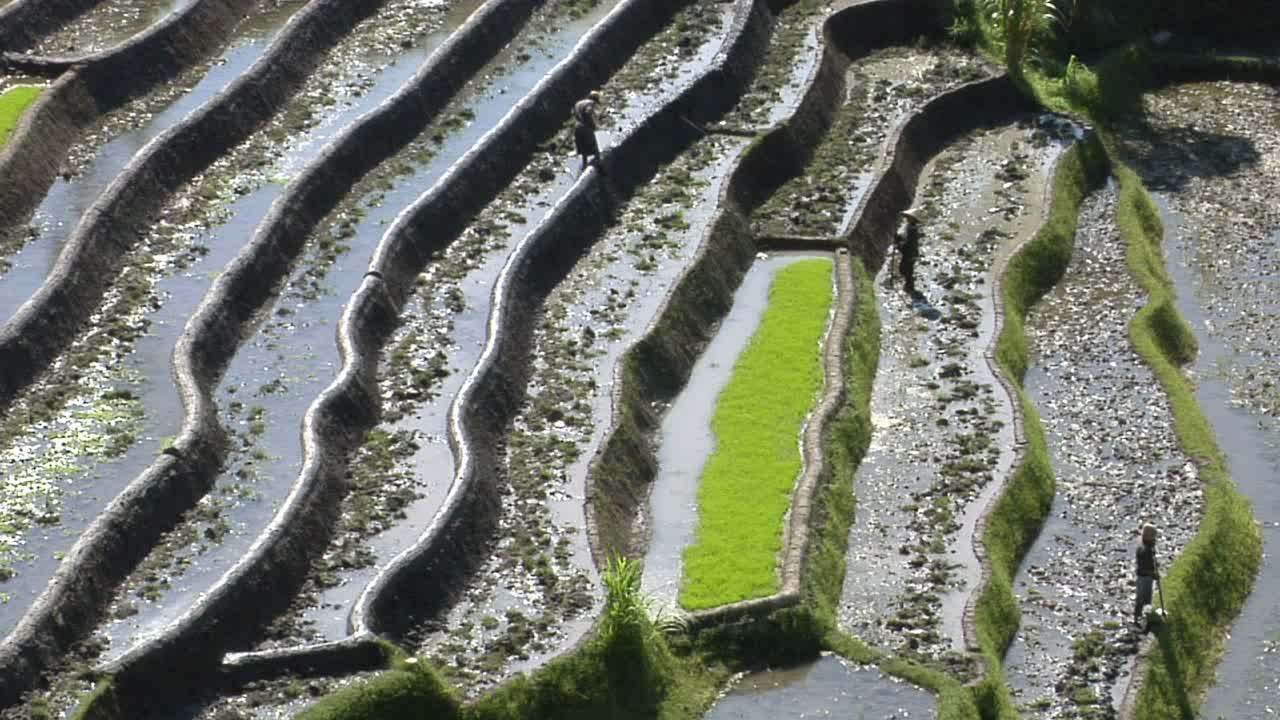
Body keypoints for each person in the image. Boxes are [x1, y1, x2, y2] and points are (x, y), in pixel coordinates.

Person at [1133, 523, 1160, 627]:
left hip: (1145, 577)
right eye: (1154, 538)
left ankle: (1143, 618)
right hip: (1144, 578)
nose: (1155, 540)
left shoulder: (1147, 548)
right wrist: (1153, 574)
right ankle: (1140, 620)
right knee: (1143, 599)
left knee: (1144, 599)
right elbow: (1143, 568)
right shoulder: (1145, 550)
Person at [893, 208, 921, 294]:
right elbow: (906, 239)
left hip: (909, 253)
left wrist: (899, 245)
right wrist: (899, 239)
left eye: (908, 217)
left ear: (913, 219)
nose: (907, 219)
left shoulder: (912, 230)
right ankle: (909, 286)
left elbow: (909, 243)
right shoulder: (910, 227)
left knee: (905, 269)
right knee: (906, 270)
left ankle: (909, 287)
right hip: (911, 252)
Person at [573, 90, 602, 169]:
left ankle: (584, 167)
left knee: (583, 150)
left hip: (578, 128)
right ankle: (600, 167)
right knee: (594, 148)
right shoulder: (590, 103)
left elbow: (576, 115)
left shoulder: (579, 103)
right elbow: (587, 113)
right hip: (586, 129)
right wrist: (592, 124)